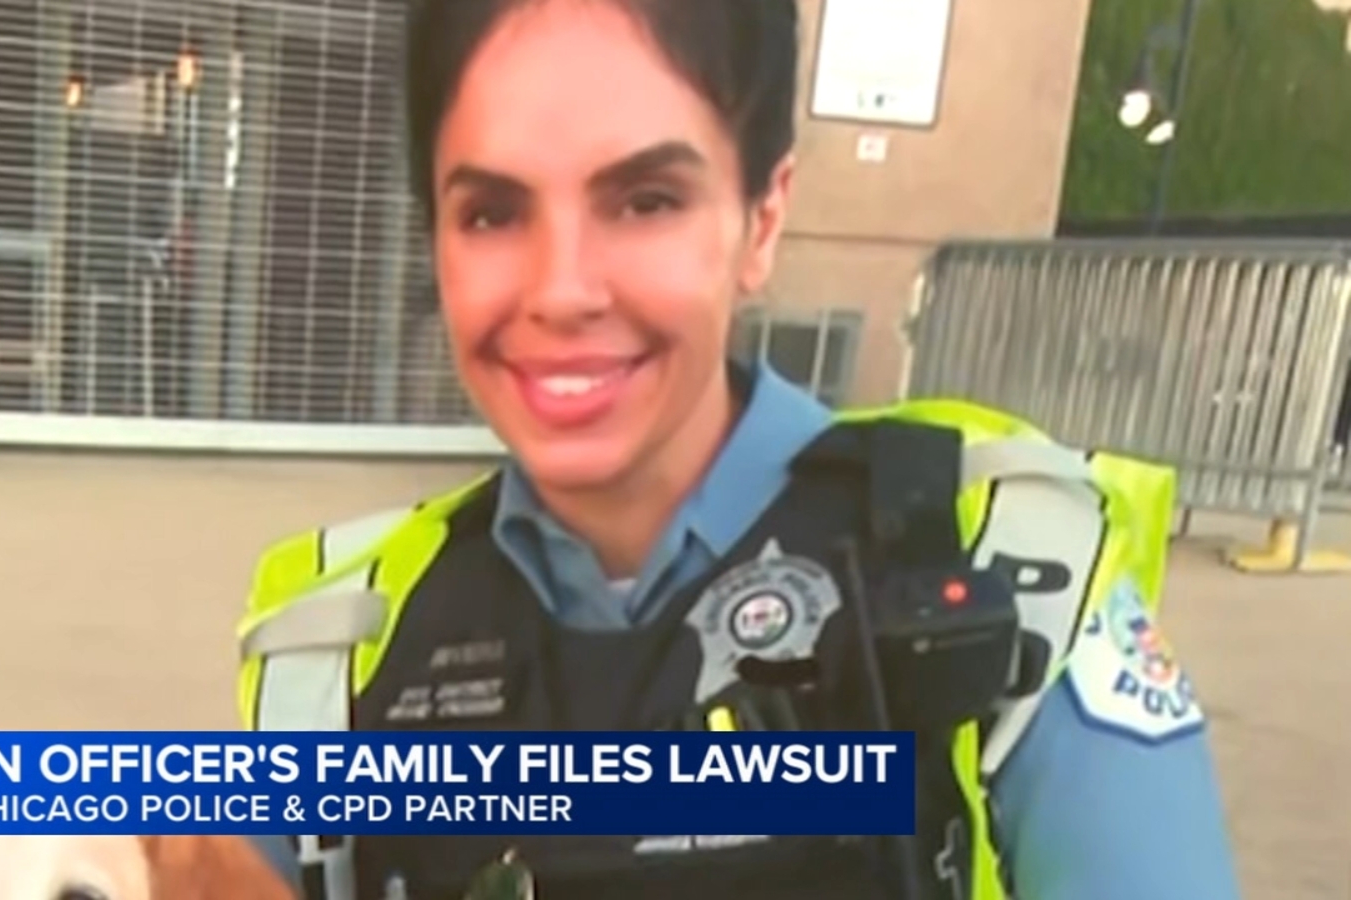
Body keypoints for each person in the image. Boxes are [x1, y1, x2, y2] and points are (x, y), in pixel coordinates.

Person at [234, 1, 1243, 898]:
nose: (560, 289)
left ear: (762, 218)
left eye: (645, 200)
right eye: (491, 212)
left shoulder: (1002, 565)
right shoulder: (341, 645)